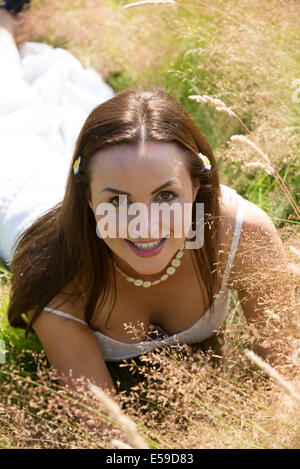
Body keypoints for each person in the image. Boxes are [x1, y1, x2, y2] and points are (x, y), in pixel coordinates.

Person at [1, 6, 295, 395]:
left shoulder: (242, 235)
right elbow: (103, 434)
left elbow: (287, 372)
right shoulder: (58, 271)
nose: (145, 224)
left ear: (196, 186)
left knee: (89, 113)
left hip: (111, 168)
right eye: (118, 201)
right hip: (30, 191)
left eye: (166, 195)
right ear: (87, 198)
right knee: (11, 114)